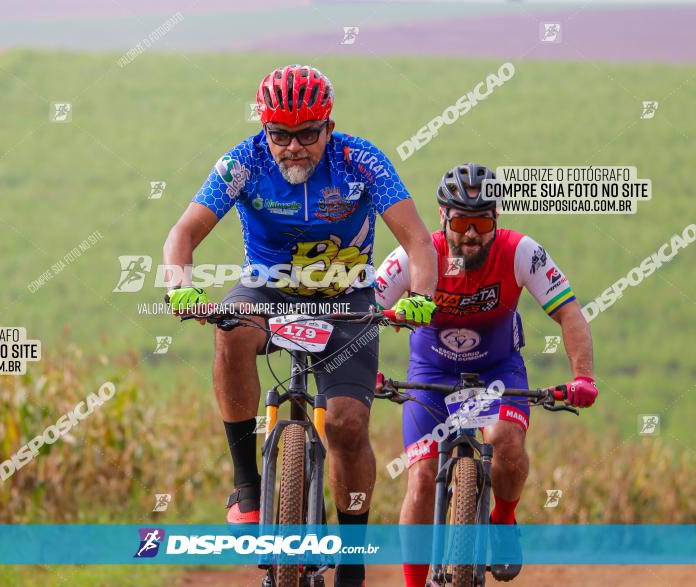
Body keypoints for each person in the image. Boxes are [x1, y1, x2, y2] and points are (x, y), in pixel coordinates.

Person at [163, 64, 438, 587]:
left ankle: (352, 558)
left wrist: (421, 297)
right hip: (267, 290)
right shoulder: (242, 163)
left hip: (346, 298)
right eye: (280, 135)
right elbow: (184, 232)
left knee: (347, 427)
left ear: (329, 127)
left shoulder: (361, 161)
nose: (293, 147)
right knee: (231, 330)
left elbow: (418, 241)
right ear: (264, 129)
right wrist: (180, 285)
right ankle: (247, 484)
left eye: (307, 134)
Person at [374, 163, 598, 585]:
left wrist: (582, 376)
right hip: (431, 371)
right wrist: (363, 370)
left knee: (505, 440)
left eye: (481, 222)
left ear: (496, 219)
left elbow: (570, 313)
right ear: (443, 218)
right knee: (421, 478)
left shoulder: (521, 251)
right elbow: (366, 312)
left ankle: (504, 519)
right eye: (461, 221)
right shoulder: (413, 255)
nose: (471, 233)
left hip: (498, 369)